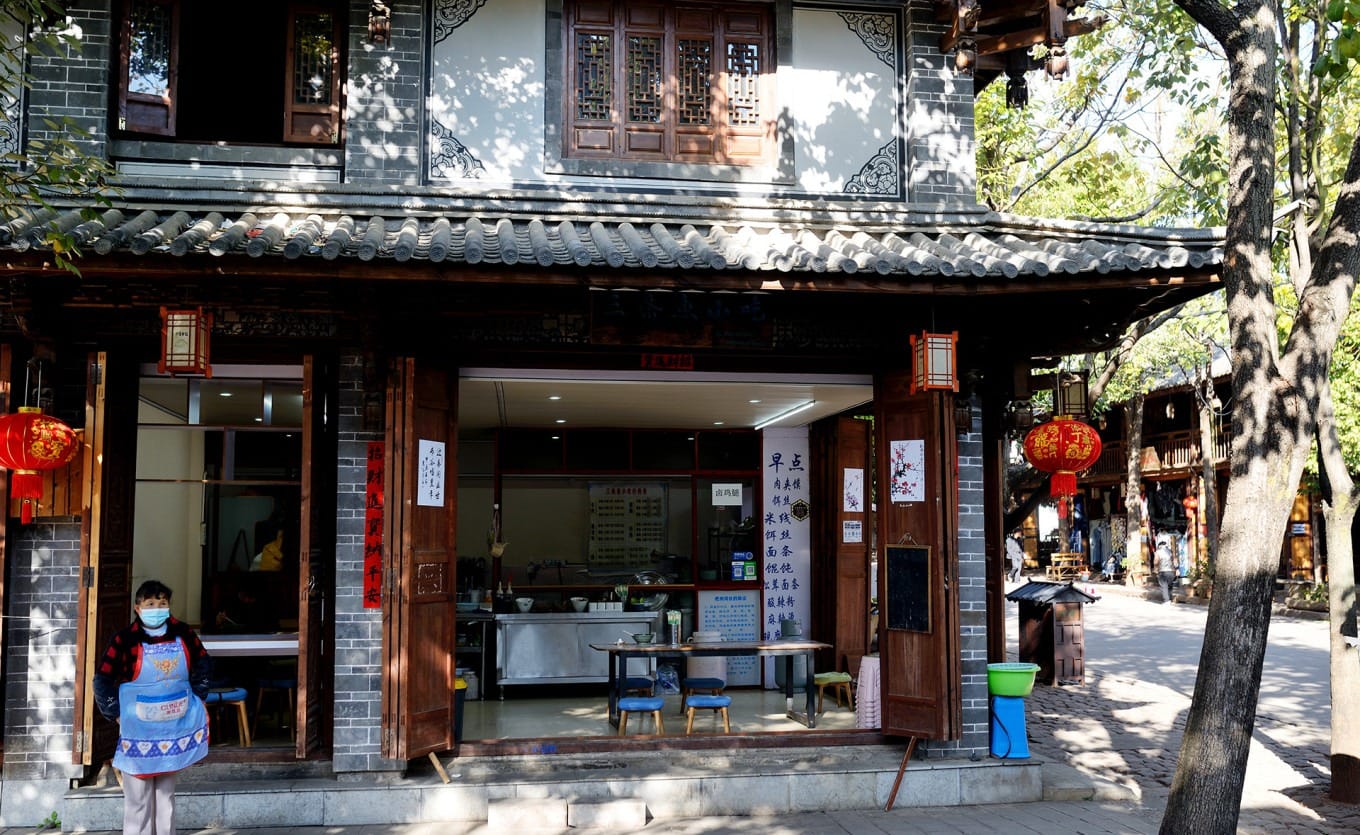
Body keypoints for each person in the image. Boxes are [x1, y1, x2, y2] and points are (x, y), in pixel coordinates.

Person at [94, 580, 212, 835]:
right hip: (138, 730)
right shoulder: (124, 639)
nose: (157, 608)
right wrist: (113, 712)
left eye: (162, 603)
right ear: (138, 608)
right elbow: (102, 679)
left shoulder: (183, 633)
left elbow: (203, 663)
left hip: (173, 729)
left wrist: (199, 696)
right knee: (138, 799)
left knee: (166, 796)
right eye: (150, 604)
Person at [1154, 534, 1179, 603]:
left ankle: (1166, 600)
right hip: (1171, 571)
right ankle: (1170, 598)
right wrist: (1177, 569)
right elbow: (1175, 560)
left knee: (1164, 586)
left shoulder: (1158, 552)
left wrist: (1155, 570)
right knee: (1170, 586)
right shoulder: (1170, 552)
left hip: (1162, 571)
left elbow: (1156, 561)